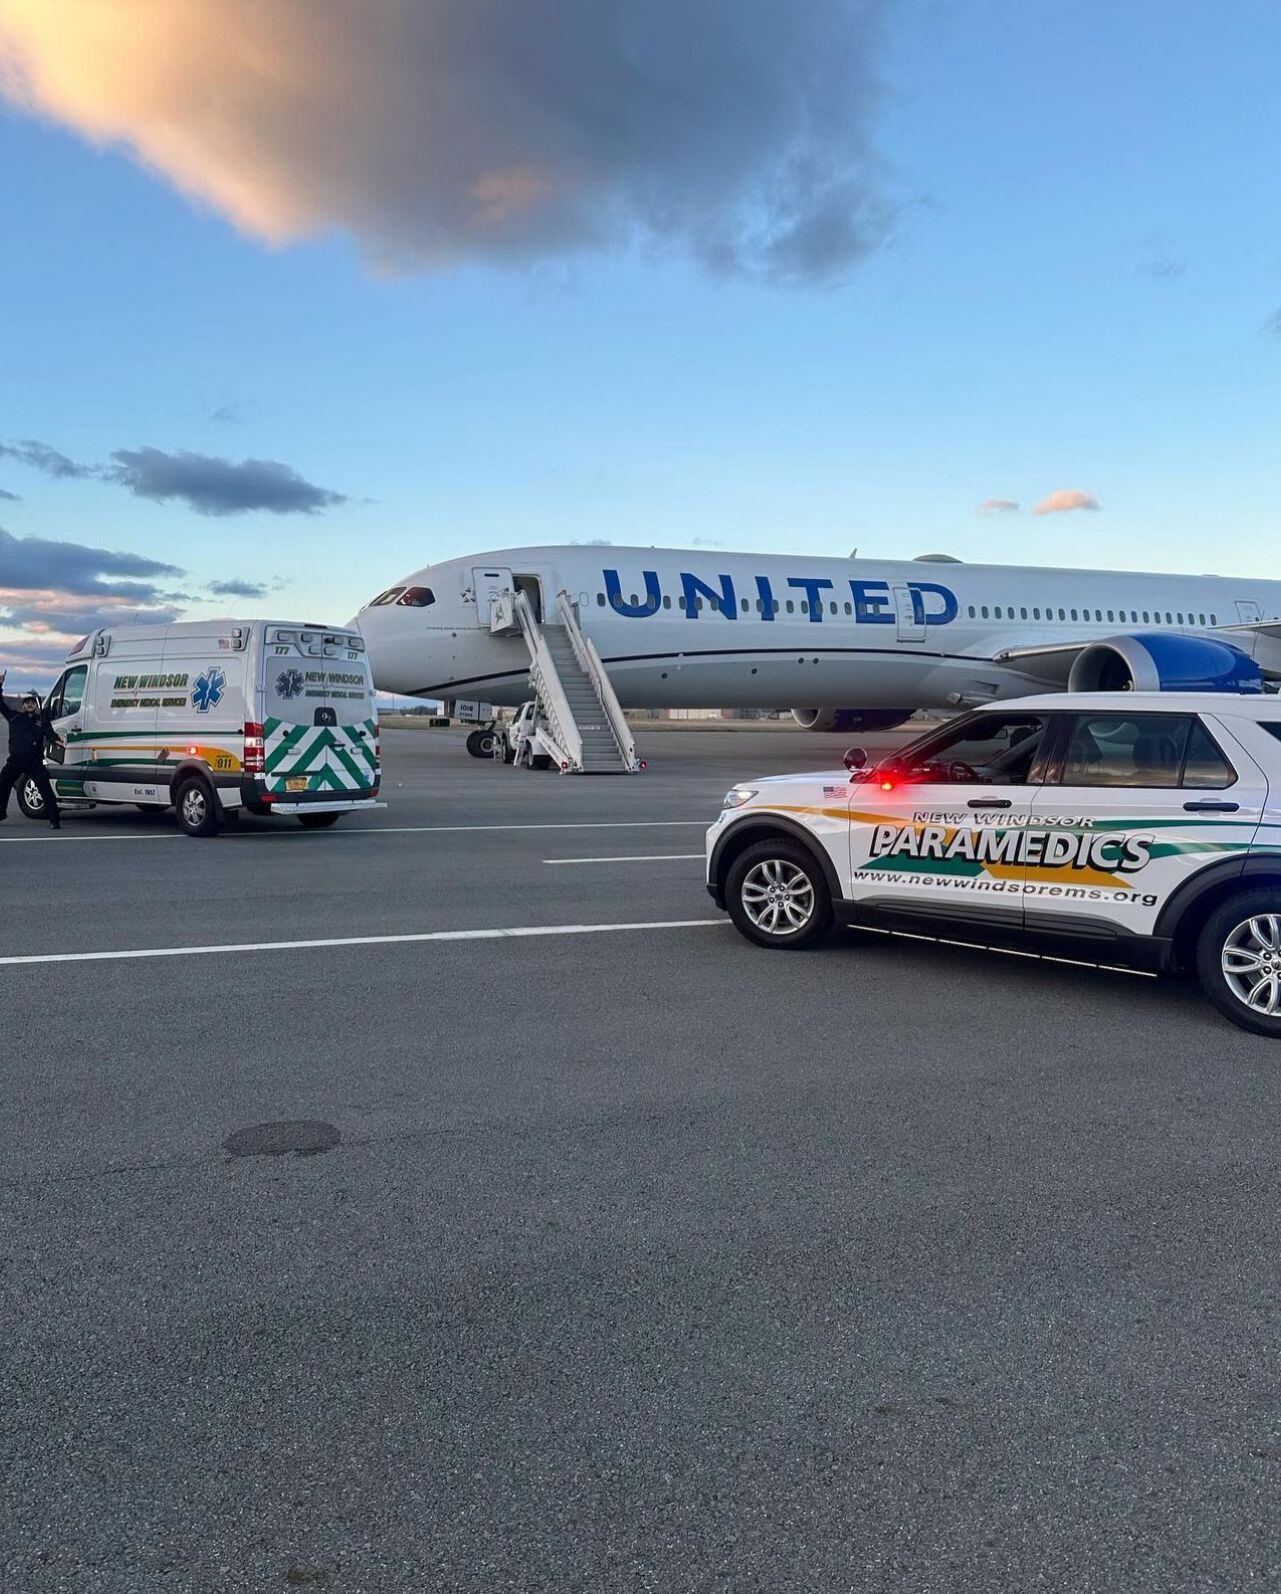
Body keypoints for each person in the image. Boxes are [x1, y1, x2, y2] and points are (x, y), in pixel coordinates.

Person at [0, 670, 60, 827]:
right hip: (15, 761)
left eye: (32, 702)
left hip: (34, 762)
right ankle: (0, 812)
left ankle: (54, 819)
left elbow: (52, 735)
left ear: (36, 704)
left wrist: (58, 742)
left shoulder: (42, 721)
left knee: (45, 789)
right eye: (27, 702)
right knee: (2, 785)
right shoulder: (14, 717)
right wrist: (0, 685)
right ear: (23, 705)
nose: (30, 704)